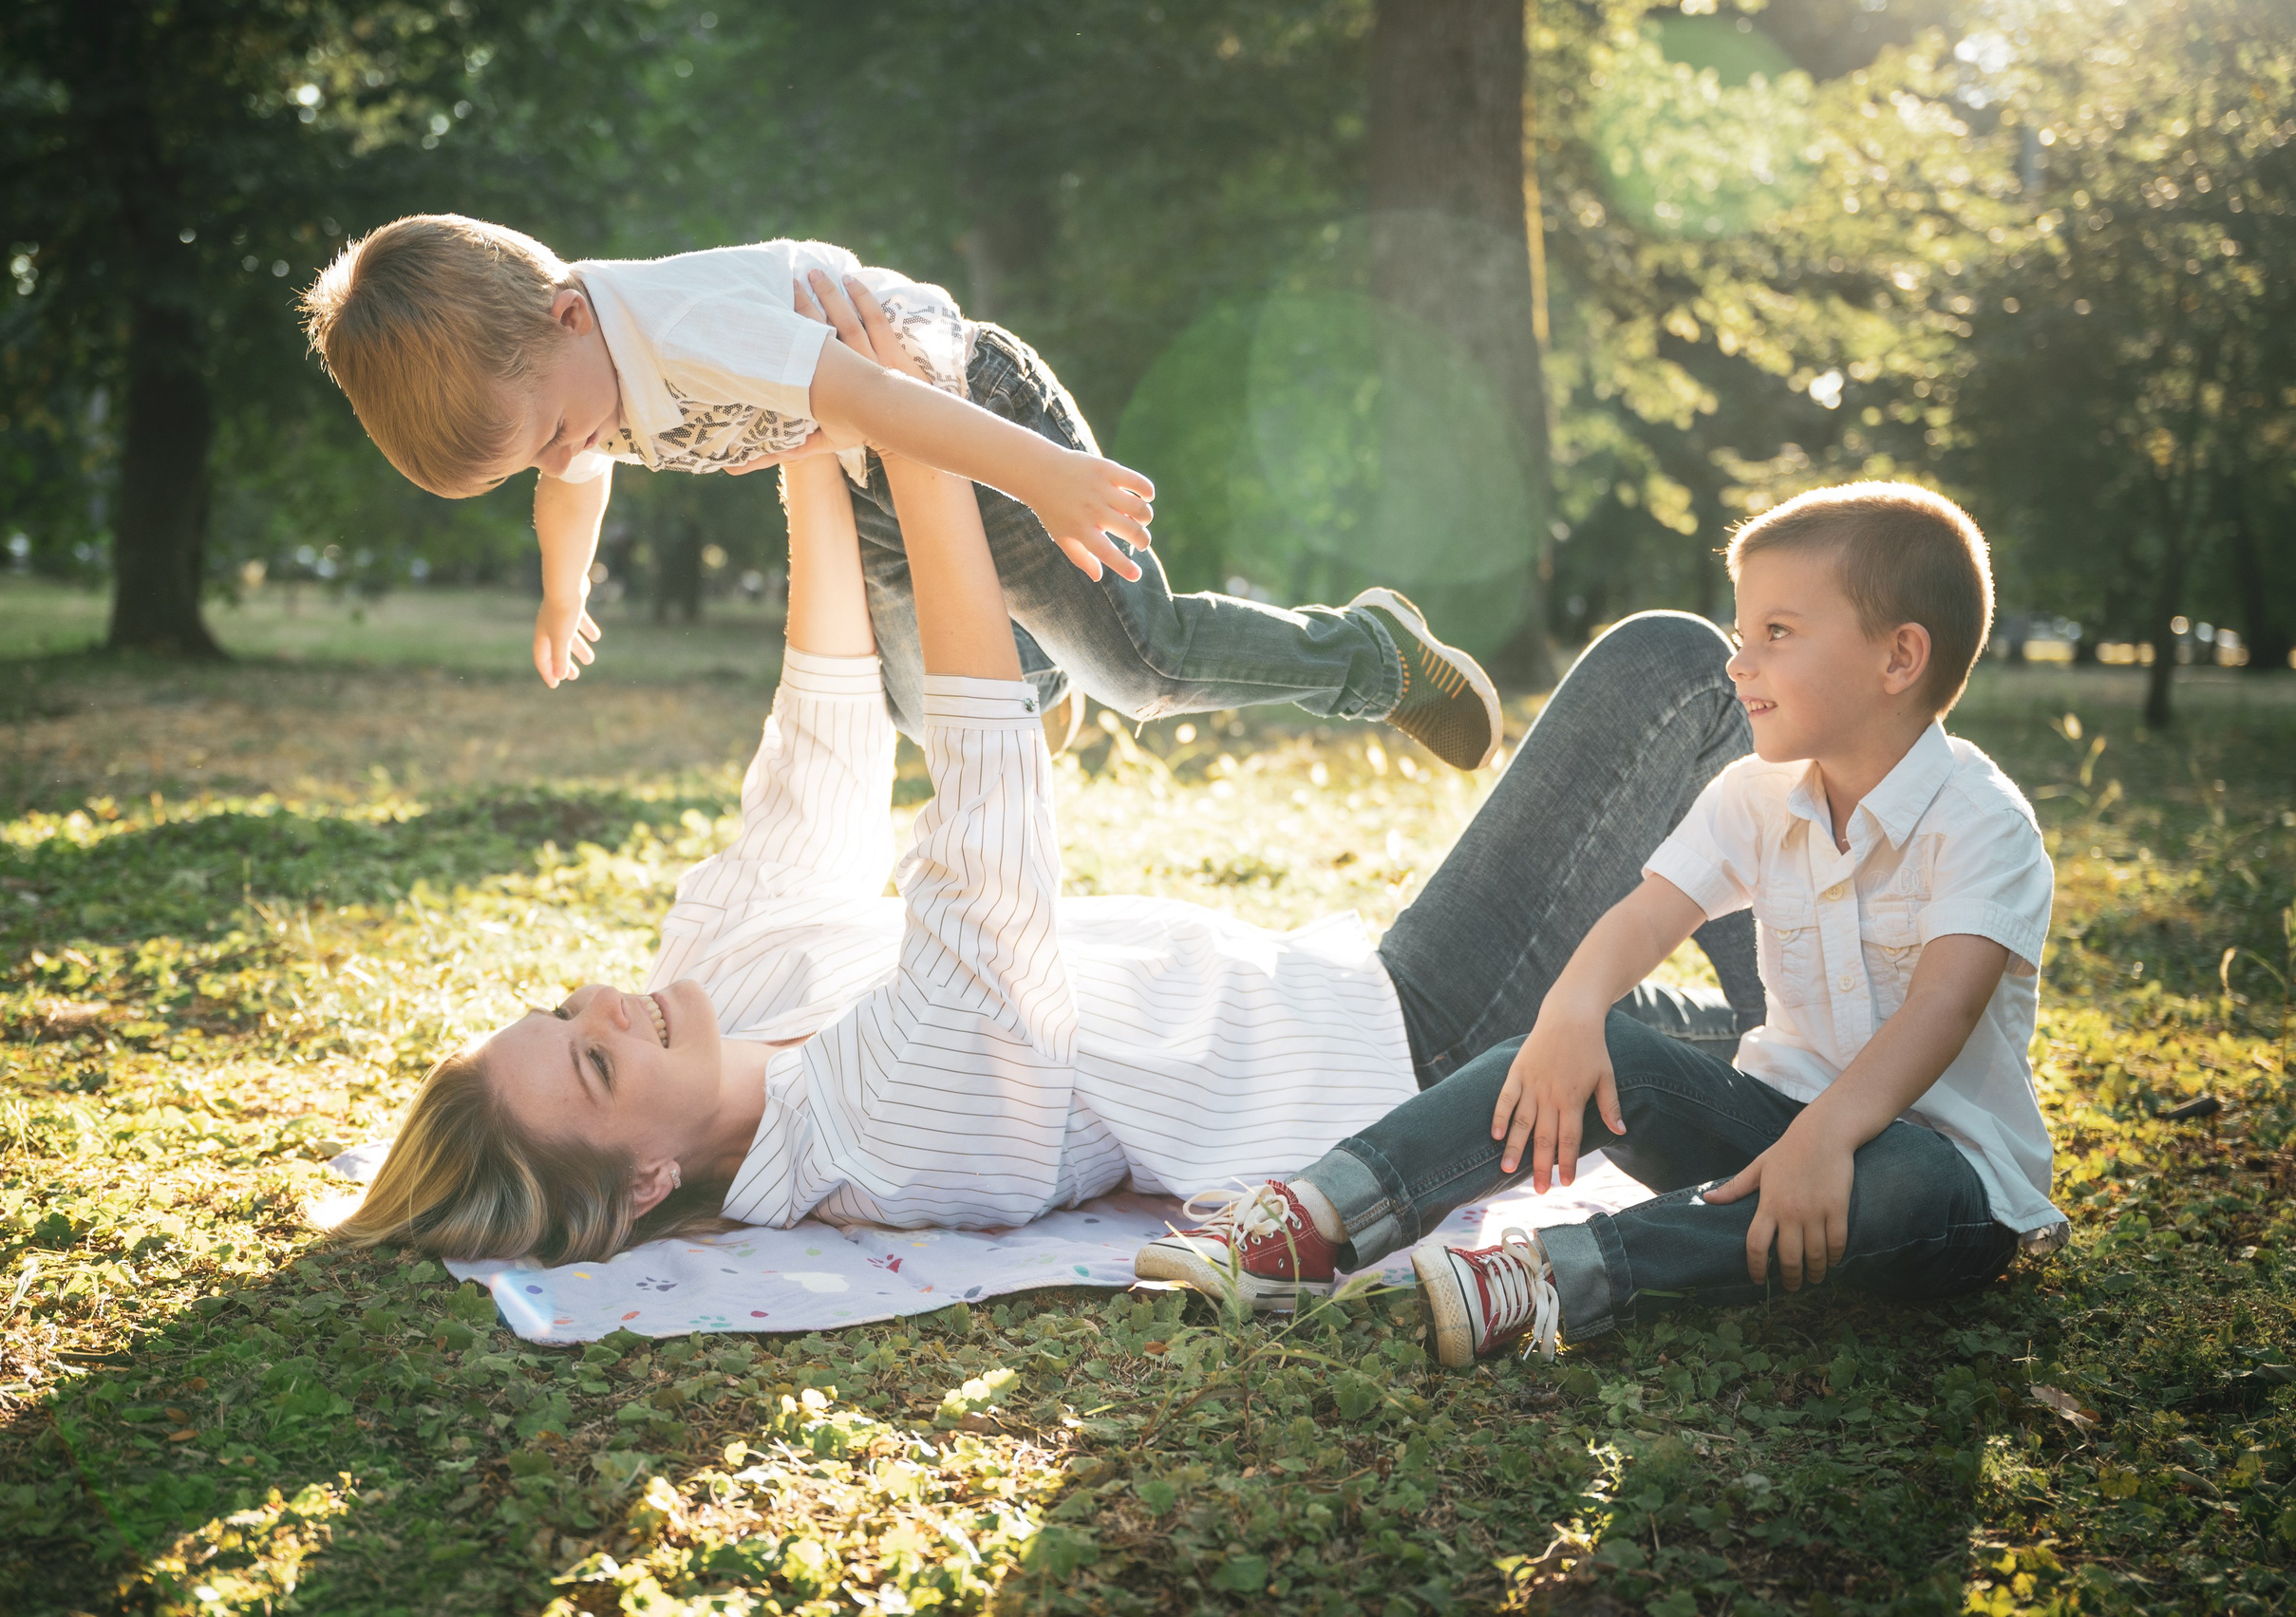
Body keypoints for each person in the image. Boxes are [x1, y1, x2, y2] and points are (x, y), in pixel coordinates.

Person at [332, 292, 1761, 1268]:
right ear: (647, 1179)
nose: (606, 1005)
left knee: (1722, 1048)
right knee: (1678, 668)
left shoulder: (719, 978)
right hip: (1414, 1052)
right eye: (594, 1059)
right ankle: (1816, 1074)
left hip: (1343, 981)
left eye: (560, 1006)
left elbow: (828, 726)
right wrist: (913, 418)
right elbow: (987, 780)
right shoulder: (891, 1136)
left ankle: (1803, 1055)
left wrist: (804, 435)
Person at [1139, 483, 2070, 1366]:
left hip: (1937, 1183)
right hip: (1770, 1126)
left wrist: (1827, 1139)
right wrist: (1572, 1012)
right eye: (1741, 632)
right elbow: (1648, 911)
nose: (1738, 662)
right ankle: (1312, 1217)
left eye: (1777, 633)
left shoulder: (1980, 820)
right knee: (1599, 1041)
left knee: (1903, 1168)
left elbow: (1939, 1012)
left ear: (1897, 657)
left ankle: (1549, 1275)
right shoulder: (1755, 794)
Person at [297, 214, 1500, 771]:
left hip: (966, 411)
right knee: (935, 713)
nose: (563, 460)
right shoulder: (579, 383)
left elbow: (882, 401)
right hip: (875, 460)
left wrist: (1048, 476)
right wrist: (564, 592)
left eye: (551, 433)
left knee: (1144, 666)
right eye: (529, 461)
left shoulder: (687, 330)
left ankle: (1372, 657)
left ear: (568, 314)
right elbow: (572, 484)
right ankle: (1032, 684)